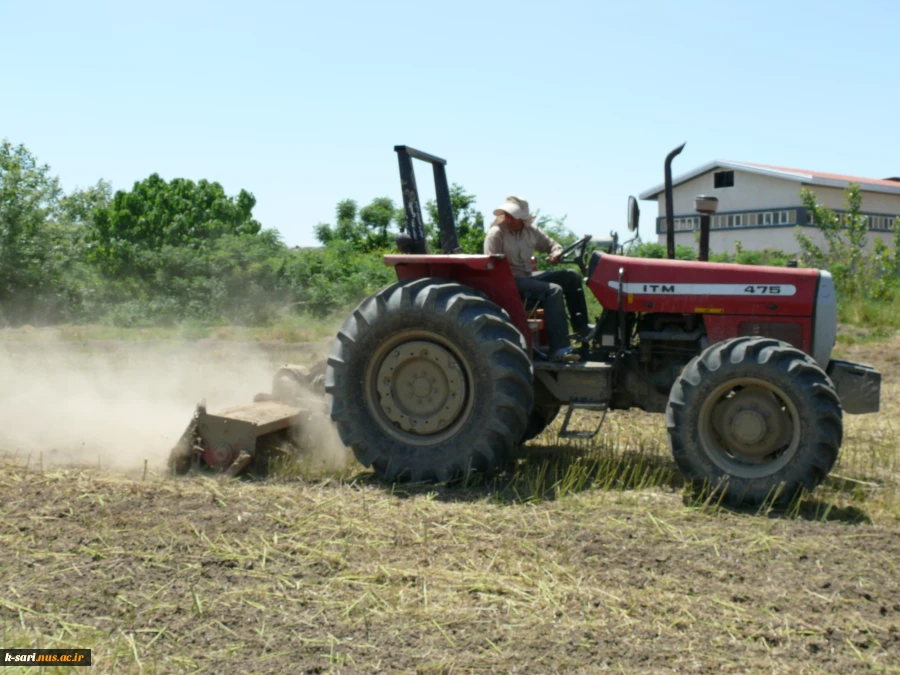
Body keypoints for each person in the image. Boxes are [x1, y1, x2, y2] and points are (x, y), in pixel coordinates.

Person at [484, 195, 591, 362]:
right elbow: (491, 268)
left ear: (523, 219)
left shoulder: (531, 231)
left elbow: (553, 246)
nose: (508, 220)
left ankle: (583, 332)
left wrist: (555, 253)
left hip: (527, 277)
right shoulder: (496, 233)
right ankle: (559, 349)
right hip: (508, 282)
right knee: (553, 290)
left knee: (571, 276)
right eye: (506, 215)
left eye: (513, 216)